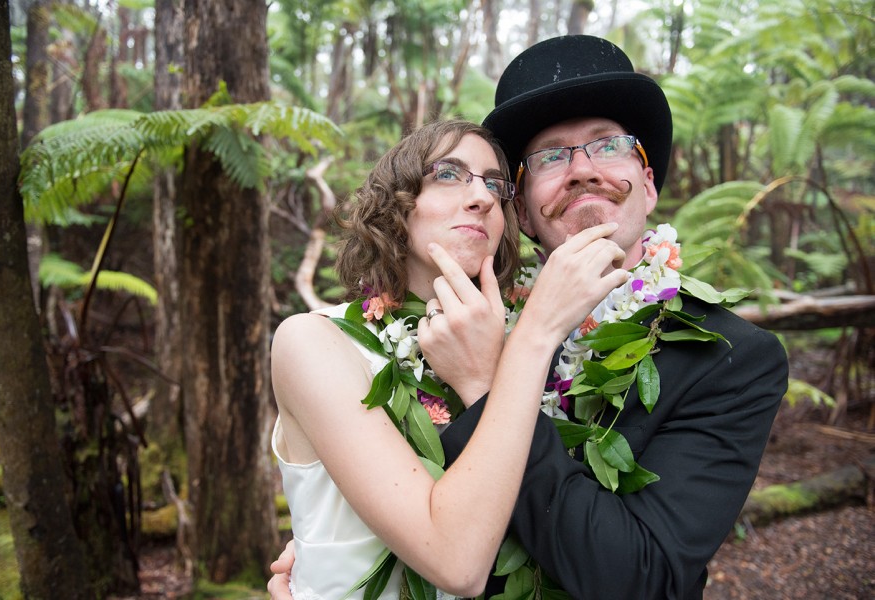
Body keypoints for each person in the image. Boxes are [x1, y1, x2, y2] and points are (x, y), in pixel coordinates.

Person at [271, 36, 789, 599]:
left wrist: (492, 381)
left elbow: (645, 579)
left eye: (609, 145)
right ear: (522, 210)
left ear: (649, 183)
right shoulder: (461, 330)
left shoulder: (732, 357)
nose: (583, 170)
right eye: (549, 157)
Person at [268, 118, 628, 598]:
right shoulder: (313, 342)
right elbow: (456, 562)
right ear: (395, 205)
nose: (481, 198)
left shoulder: (534, 335)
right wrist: (532, 338)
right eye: (448, 174)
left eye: (495, 186)